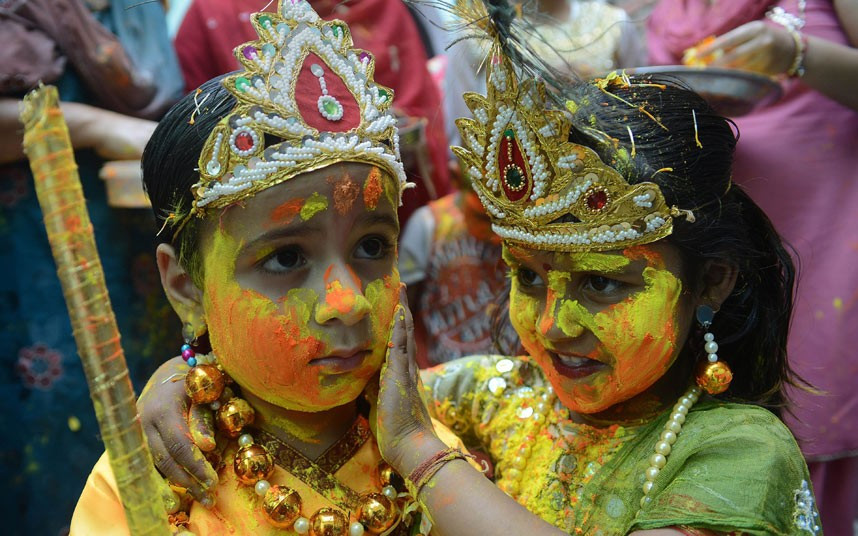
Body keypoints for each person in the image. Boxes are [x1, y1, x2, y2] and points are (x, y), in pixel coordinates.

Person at [139, 5, 823, 534]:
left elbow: (399, 422)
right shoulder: (497, 398)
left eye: (603, 282)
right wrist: (188, 371)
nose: (554, 324)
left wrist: (417, 451)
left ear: (712, 281)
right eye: (527, 279)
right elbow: (325, 372)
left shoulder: (744, 452)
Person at [70, 1, 470, 534]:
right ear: (185, 287)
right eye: (286, 258)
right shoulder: (145, 490)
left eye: (372, 247)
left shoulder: (435, 461)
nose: (345, 301)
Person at [647, 1, 858, 532]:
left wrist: (797, 52)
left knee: (814, 415)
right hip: (718, 256)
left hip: (828, 242)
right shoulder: (662, 11)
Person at [0, 0, 182, 532]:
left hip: (133, 260)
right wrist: (89, 124)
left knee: (150, 414)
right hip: (32, 265)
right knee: (54, 429)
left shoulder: (139, 9)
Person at [173, 0, 452, 225]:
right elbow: (193, 141)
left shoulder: (385, 8)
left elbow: (427, 120)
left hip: (380, 222)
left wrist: (393, 132)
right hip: (266, 230)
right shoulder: (213, 13)